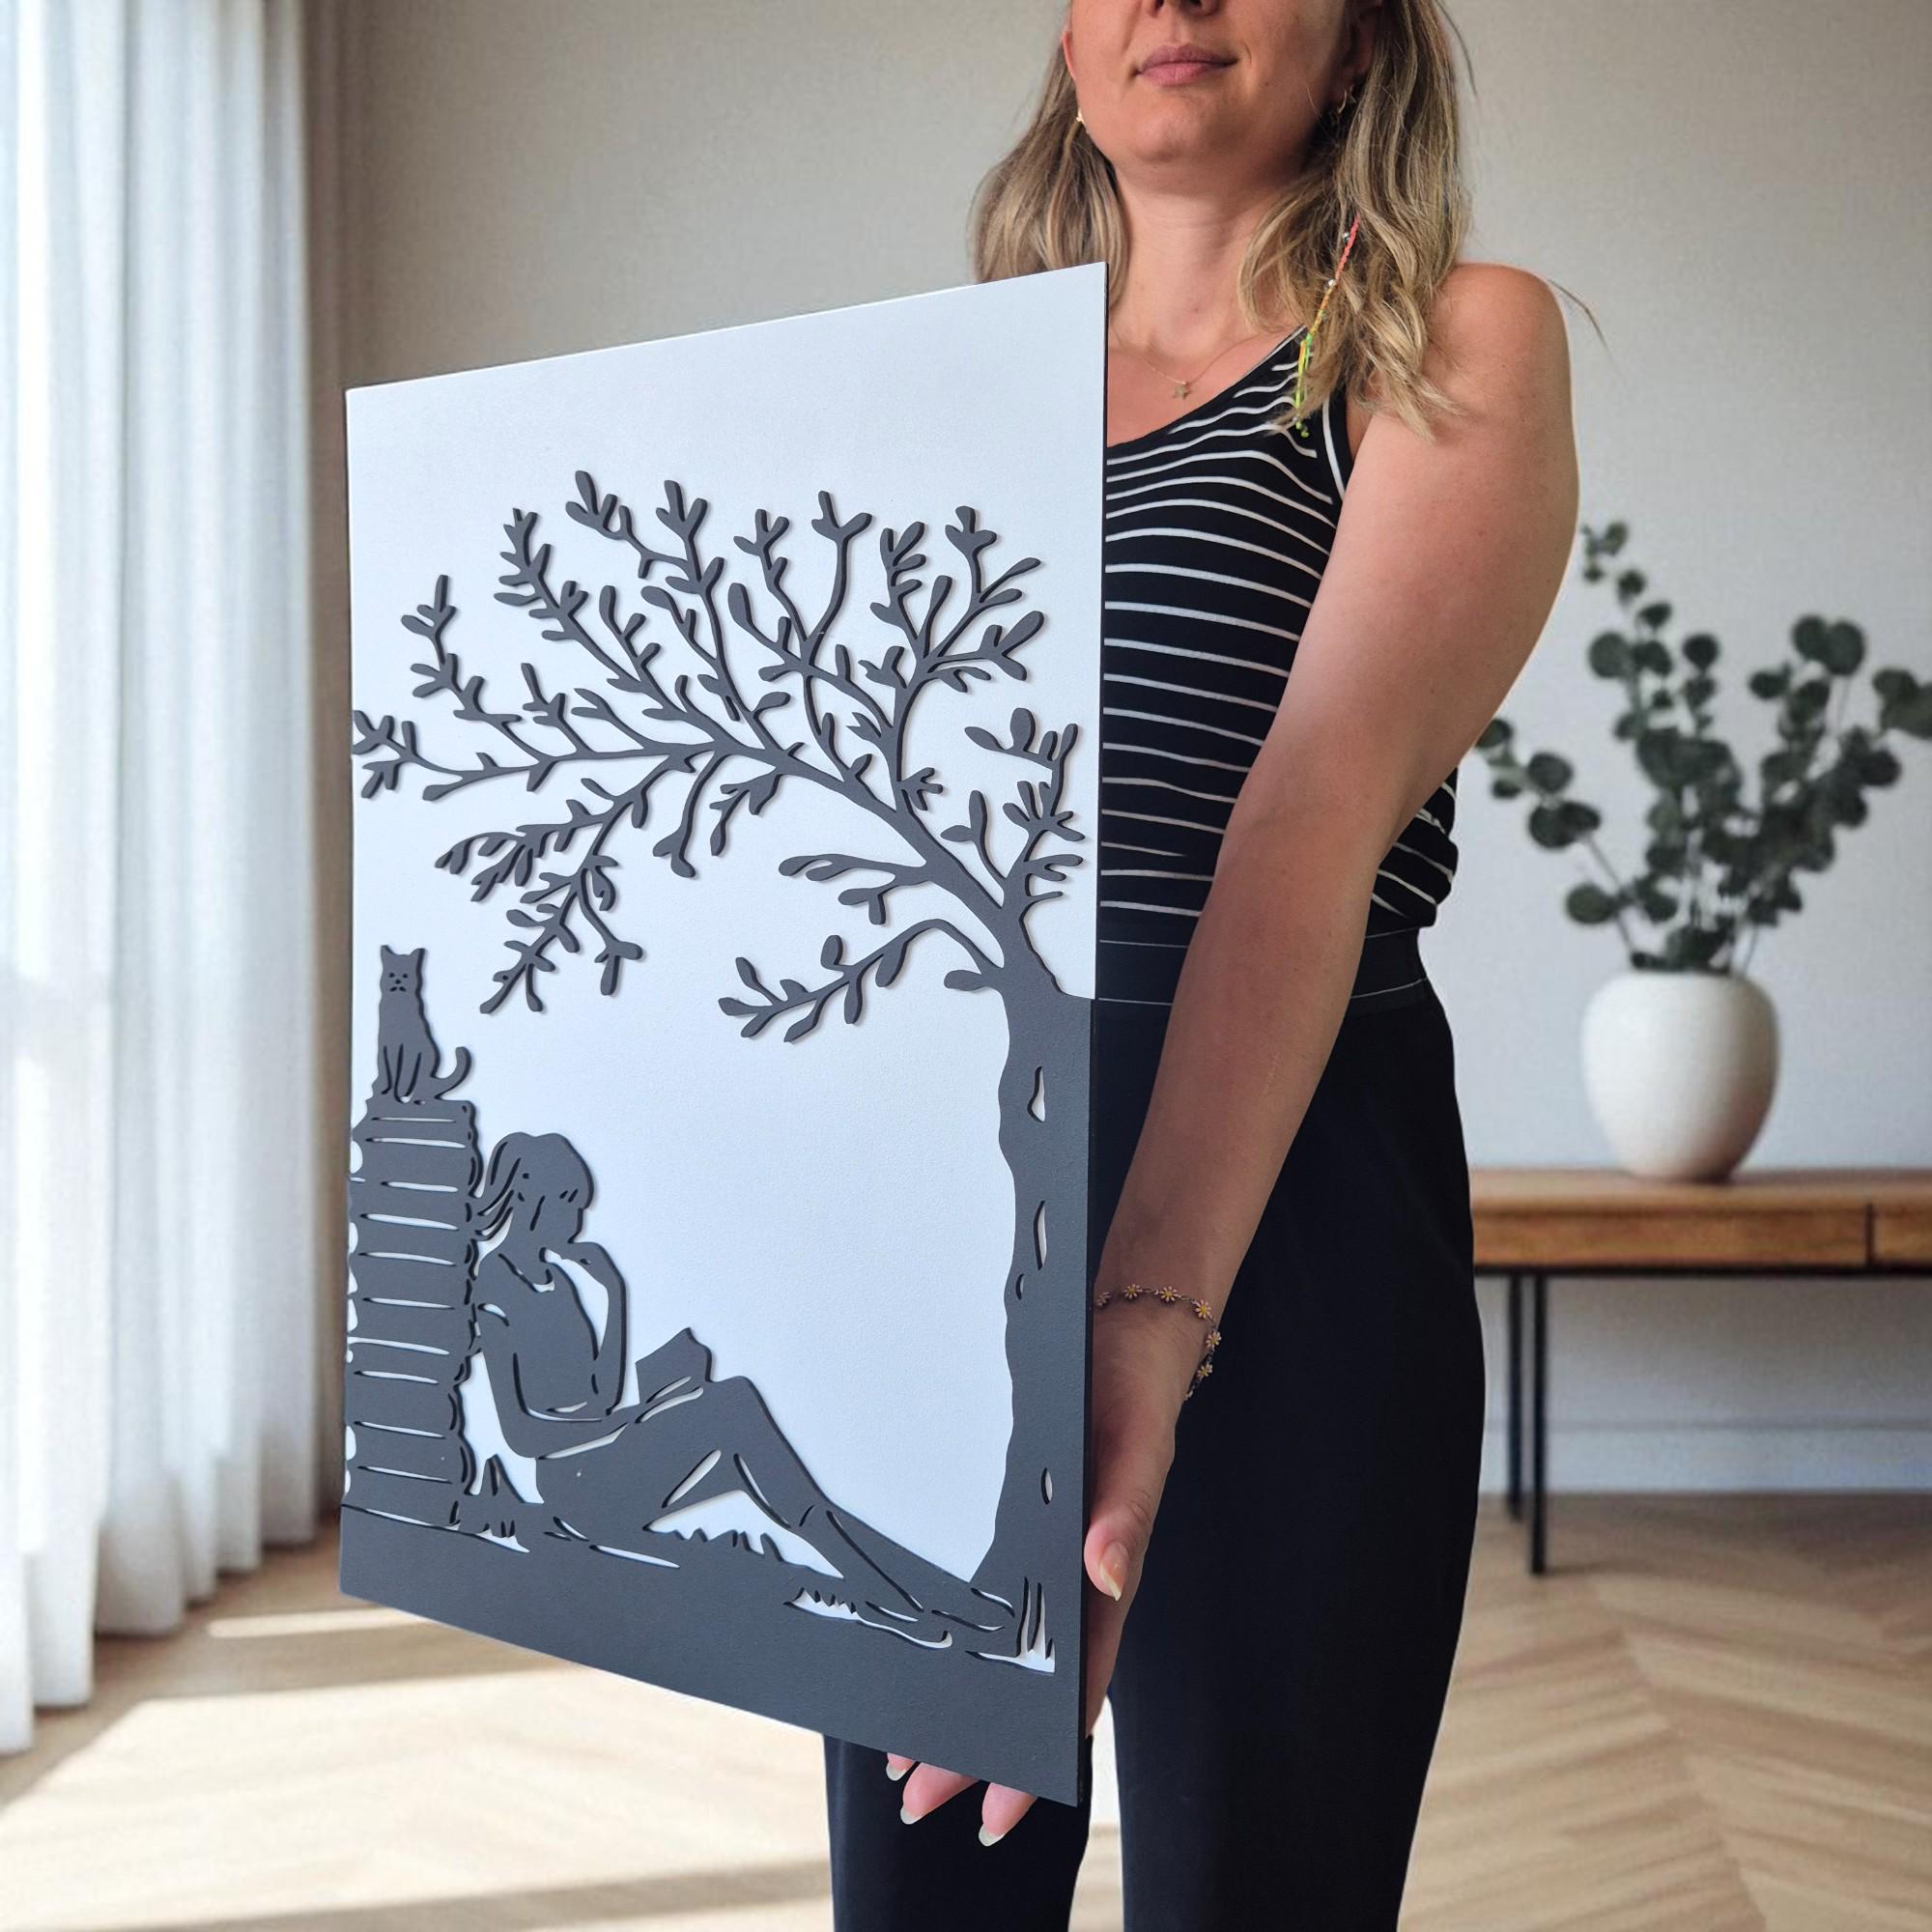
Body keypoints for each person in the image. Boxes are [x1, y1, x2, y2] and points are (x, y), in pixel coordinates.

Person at [821, 2, 1579, 1924]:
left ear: (1362, 40)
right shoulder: (932, 397)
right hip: (954, 1229)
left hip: (1299, 1202)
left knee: (1263, 1883)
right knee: (926, 1897)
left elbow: (1309, 817)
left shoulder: (1447, 340)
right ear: (1070, 44)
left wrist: (1141, 1315)